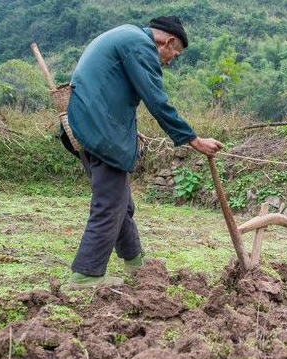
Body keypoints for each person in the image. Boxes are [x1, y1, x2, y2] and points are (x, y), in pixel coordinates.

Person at [61, 16, 222, 289]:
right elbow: (156, 100)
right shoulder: (140, 45)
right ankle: (85, 275)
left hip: (88, 125)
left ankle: (136, 263)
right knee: (110, 202)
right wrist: (193, 140)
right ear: (168, 42)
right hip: (100, 131)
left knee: (121, 201)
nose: (171, 60)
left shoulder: (126, 35)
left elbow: (110, 90)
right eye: (175, 53)